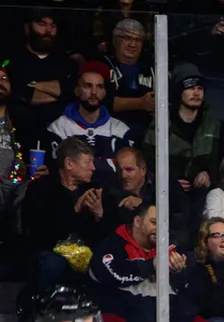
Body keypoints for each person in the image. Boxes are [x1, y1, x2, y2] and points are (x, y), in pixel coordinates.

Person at [87, 202, 193, 322]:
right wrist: (150, 265)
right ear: (137, 221)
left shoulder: (173, 250)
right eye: (154, 222)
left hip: (166, 317)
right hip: (122, 315)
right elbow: (111, 276)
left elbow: (193, 292)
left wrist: (180, 273)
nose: (159, 228)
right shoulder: (112, 246)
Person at [142, 65, 224, 233]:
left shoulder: (212, 121)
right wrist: (170, 181)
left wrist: (208, 173)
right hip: (168, 190)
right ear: (179, 92)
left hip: (202, 189)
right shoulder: (161, 122)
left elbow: (222, 156)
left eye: (200, 88)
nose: (196, 93)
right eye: (190, 88)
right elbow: (149, 160)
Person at [22, 138, 109, 287]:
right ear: (69, 163)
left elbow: (106, 234)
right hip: (50, 251)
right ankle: (45, 304)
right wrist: (75, 210)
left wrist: (99, 214)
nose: (93, 168)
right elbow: (41, 236)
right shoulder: (41, 189)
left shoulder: (94, 191)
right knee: (53, 263)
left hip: (86, 252)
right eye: (87, 162)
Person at [46, 61, 133, 176]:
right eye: (88, 86)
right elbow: (60, 169)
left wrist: (78, 165)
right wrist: (108, 163)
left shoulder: (120, 130)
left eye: (99, 87)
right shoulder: (58, 128)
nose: (94, 92)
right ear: (77, 91)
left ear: (104, 92)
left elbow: (125, 169)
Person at [7, 13, 71, 142]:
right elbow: (18, 94)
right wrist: (58, 94)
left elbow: (71, 92)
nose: (48, 30)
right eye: (41, 24)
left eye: (52, 25)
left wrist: (34, 84)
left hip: (60, 133)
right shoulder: (12, 61)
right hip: (19, 131)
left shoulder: (66, 62)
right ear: (27, 28)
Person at [103, 19, 155, 135]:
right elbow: (100, 101)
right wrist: (139, 103)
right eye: (127, 38)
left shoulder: (152, 68)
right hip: (109, 131)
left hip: (147, 132)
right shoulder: (103, 66)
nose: (133, 44)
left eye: (138, 40)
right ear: (115, 40)